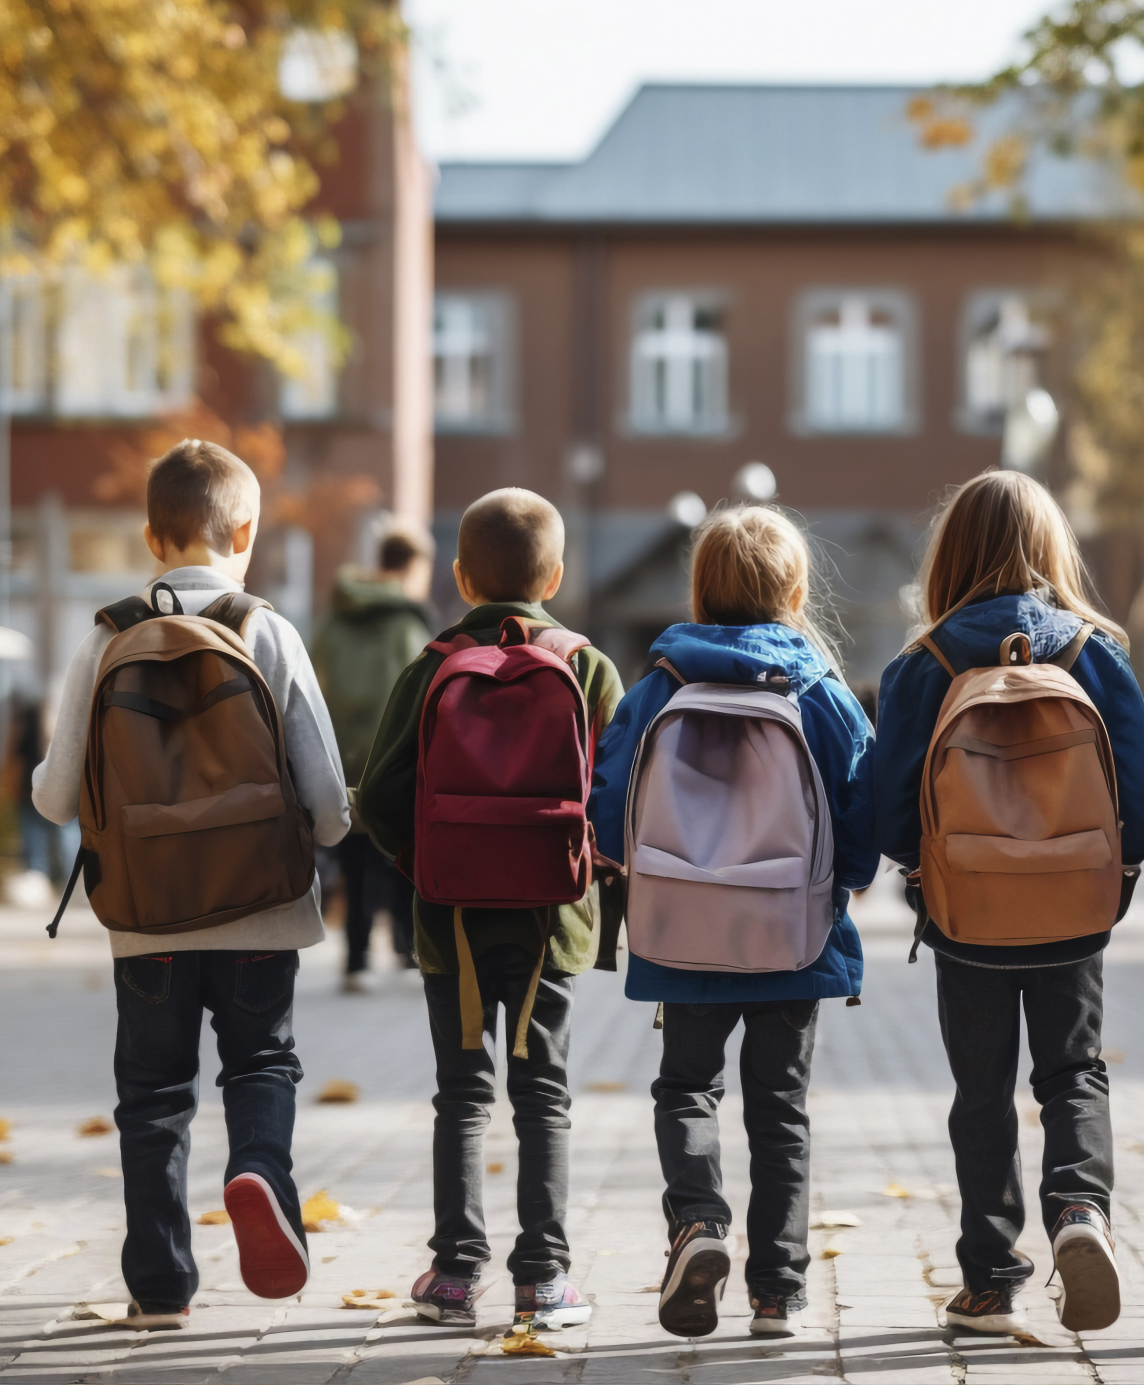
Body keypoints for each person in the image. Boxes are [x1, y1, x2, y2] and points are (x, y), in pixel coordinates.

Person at [30, 439, 354, 1331]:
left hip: (146, 916)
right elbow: (328, 805)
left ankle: (160, 1283)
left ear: (149, 534)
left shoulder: (105, 637)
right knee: (261, 1061)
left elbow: (57, 797)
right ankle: (258, 1168)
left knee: (155, 1092)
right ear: (245, 529)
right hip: (261, 909)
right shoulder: (267, 628)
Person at [872, 470, 1144, 1336]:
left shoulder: (922, 666)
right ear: (1050, 549)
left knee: (982, 1088)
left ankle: (990, 1278)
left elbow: (890, 815)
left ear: (950, 553)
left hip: (966, 912)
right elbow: (1139, 806)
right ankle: (1080, 1210)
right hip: (1074, 907)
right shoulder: (1093, 653)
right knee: (1074, 1071)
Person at [588, 506, 877, 1340]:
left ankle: (698, 1224)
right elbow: (858, 815)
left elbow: (609, 811)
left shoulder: (658, 686)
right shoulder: (817, 689)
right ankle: (778, 1292)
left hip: (682, 928)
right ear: (795, 591)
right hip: (792, 931)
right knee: (780, 1106)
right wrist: (841, 885)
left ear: (700, 590)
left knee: (686, 1087)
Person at [357, 487, 623, 1332]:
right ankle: (544, 1276)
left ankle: (453, 1272)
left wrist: (422, 863)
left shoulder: (431, 664)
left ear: (464, 575)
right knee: (544, 1090)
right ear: (557, 573)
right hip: (555, 918)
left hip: (452, 918)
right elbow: (616, 798)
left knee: (461, 1092)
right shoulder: (586, 665)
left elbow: (381, 794)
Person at [314, 524, 434, 990]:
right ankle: (409, 952)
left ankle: (356, 960)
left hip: (342, 760)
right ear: (412, 568)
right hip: (395, 763)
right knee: (403, 853)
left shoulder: (335, 616)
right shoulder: (408, 621)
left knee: (355, 859)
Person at [11, 699, 78, 894]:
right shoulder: (57, 730)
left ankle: (56, 883)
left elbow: (17, 761)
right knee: (58, 838)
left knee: (49, 840)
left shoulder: (27, 730)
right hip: (39, 792)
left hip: (36, 792)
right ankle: (63, 883)